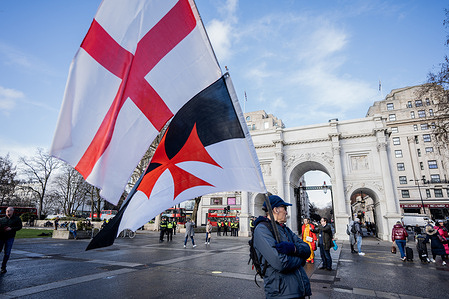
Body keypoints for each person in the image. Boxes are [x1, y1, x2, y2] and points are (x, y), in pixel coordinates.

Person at [253, 195, 311, 298]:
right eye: (284, 208)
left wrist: (294, 248)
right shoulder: (262, 230)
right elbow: (281, 263)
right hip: (281, 293)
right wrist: (301, 260)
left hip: (298, 289)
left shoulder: (285, 229)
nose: (286, 212)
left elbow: (307, 249)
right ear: (275, 210)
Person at [0, 207, 23, 274]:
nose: (7, 212)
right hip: (1, 237)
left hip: (10, 237)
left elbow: (19, 227)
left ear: (12, 211)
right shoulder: (2, 219)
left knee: (7, 253)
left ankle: (3, 267)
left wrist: (11, 229)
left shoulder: (17, 219)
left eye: (9, 211)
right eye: (7, 211)